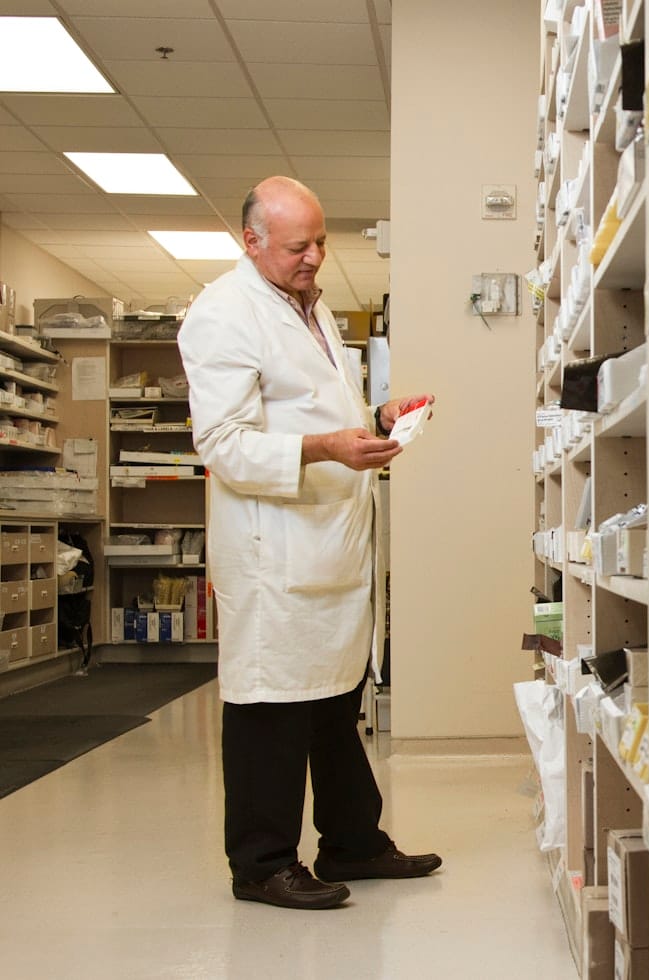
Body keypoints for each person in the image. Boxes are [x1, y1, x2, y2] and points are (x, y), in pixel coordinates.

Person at [179, 176, 440, 910]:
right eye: (300, 245)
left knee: (332, 702)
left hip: (327, 541)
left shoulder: (307, 302)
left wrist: (376, 416)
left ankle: (353, 842)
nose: (316, 257)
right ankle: (261, 864)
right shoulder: (223, 314)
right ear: (251, 241)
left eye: (321, 241)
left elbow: (314, 404)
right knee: (270, 706)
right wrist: (328, 447)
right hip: (275, 550)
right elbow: (224, 444)